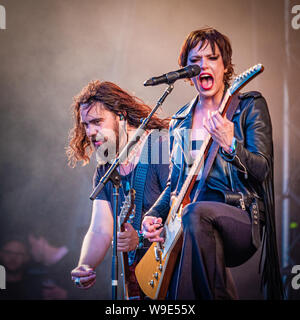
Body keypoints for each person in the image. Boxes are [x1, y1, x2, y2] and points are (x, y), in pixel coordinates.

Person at [141, 27, 283, 300]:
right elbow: (175, 184)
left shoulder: (248, 106)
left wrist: (231, 144)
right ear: (185, 71)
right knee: (179, 282)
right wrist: (153, 215)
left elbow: (262, 169)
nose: (203, 65)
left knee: (195, 213)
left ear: (226, 65)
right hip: (191, 222)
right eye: (195, 61)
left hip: (239, 214)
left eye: (212, 58)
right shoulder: (180, 122)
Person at [67, 80, 170, 299]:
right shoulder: (105, 167)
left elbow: (181, 211)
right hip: (142, 279)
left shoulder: (159, 145)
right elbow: (100, 230)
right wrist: (85, 265)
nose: (90, 132)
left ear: (121, 115)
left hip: (174, 270)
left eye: (96, 121)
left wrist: (140, 238)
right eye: (85, 125)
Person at [0, 235, 41, 300]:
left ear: (27, 257)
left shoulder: (37, 286)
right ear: (1, 254)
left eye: (19, 254)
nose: (13, 257)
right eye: (8, 252)